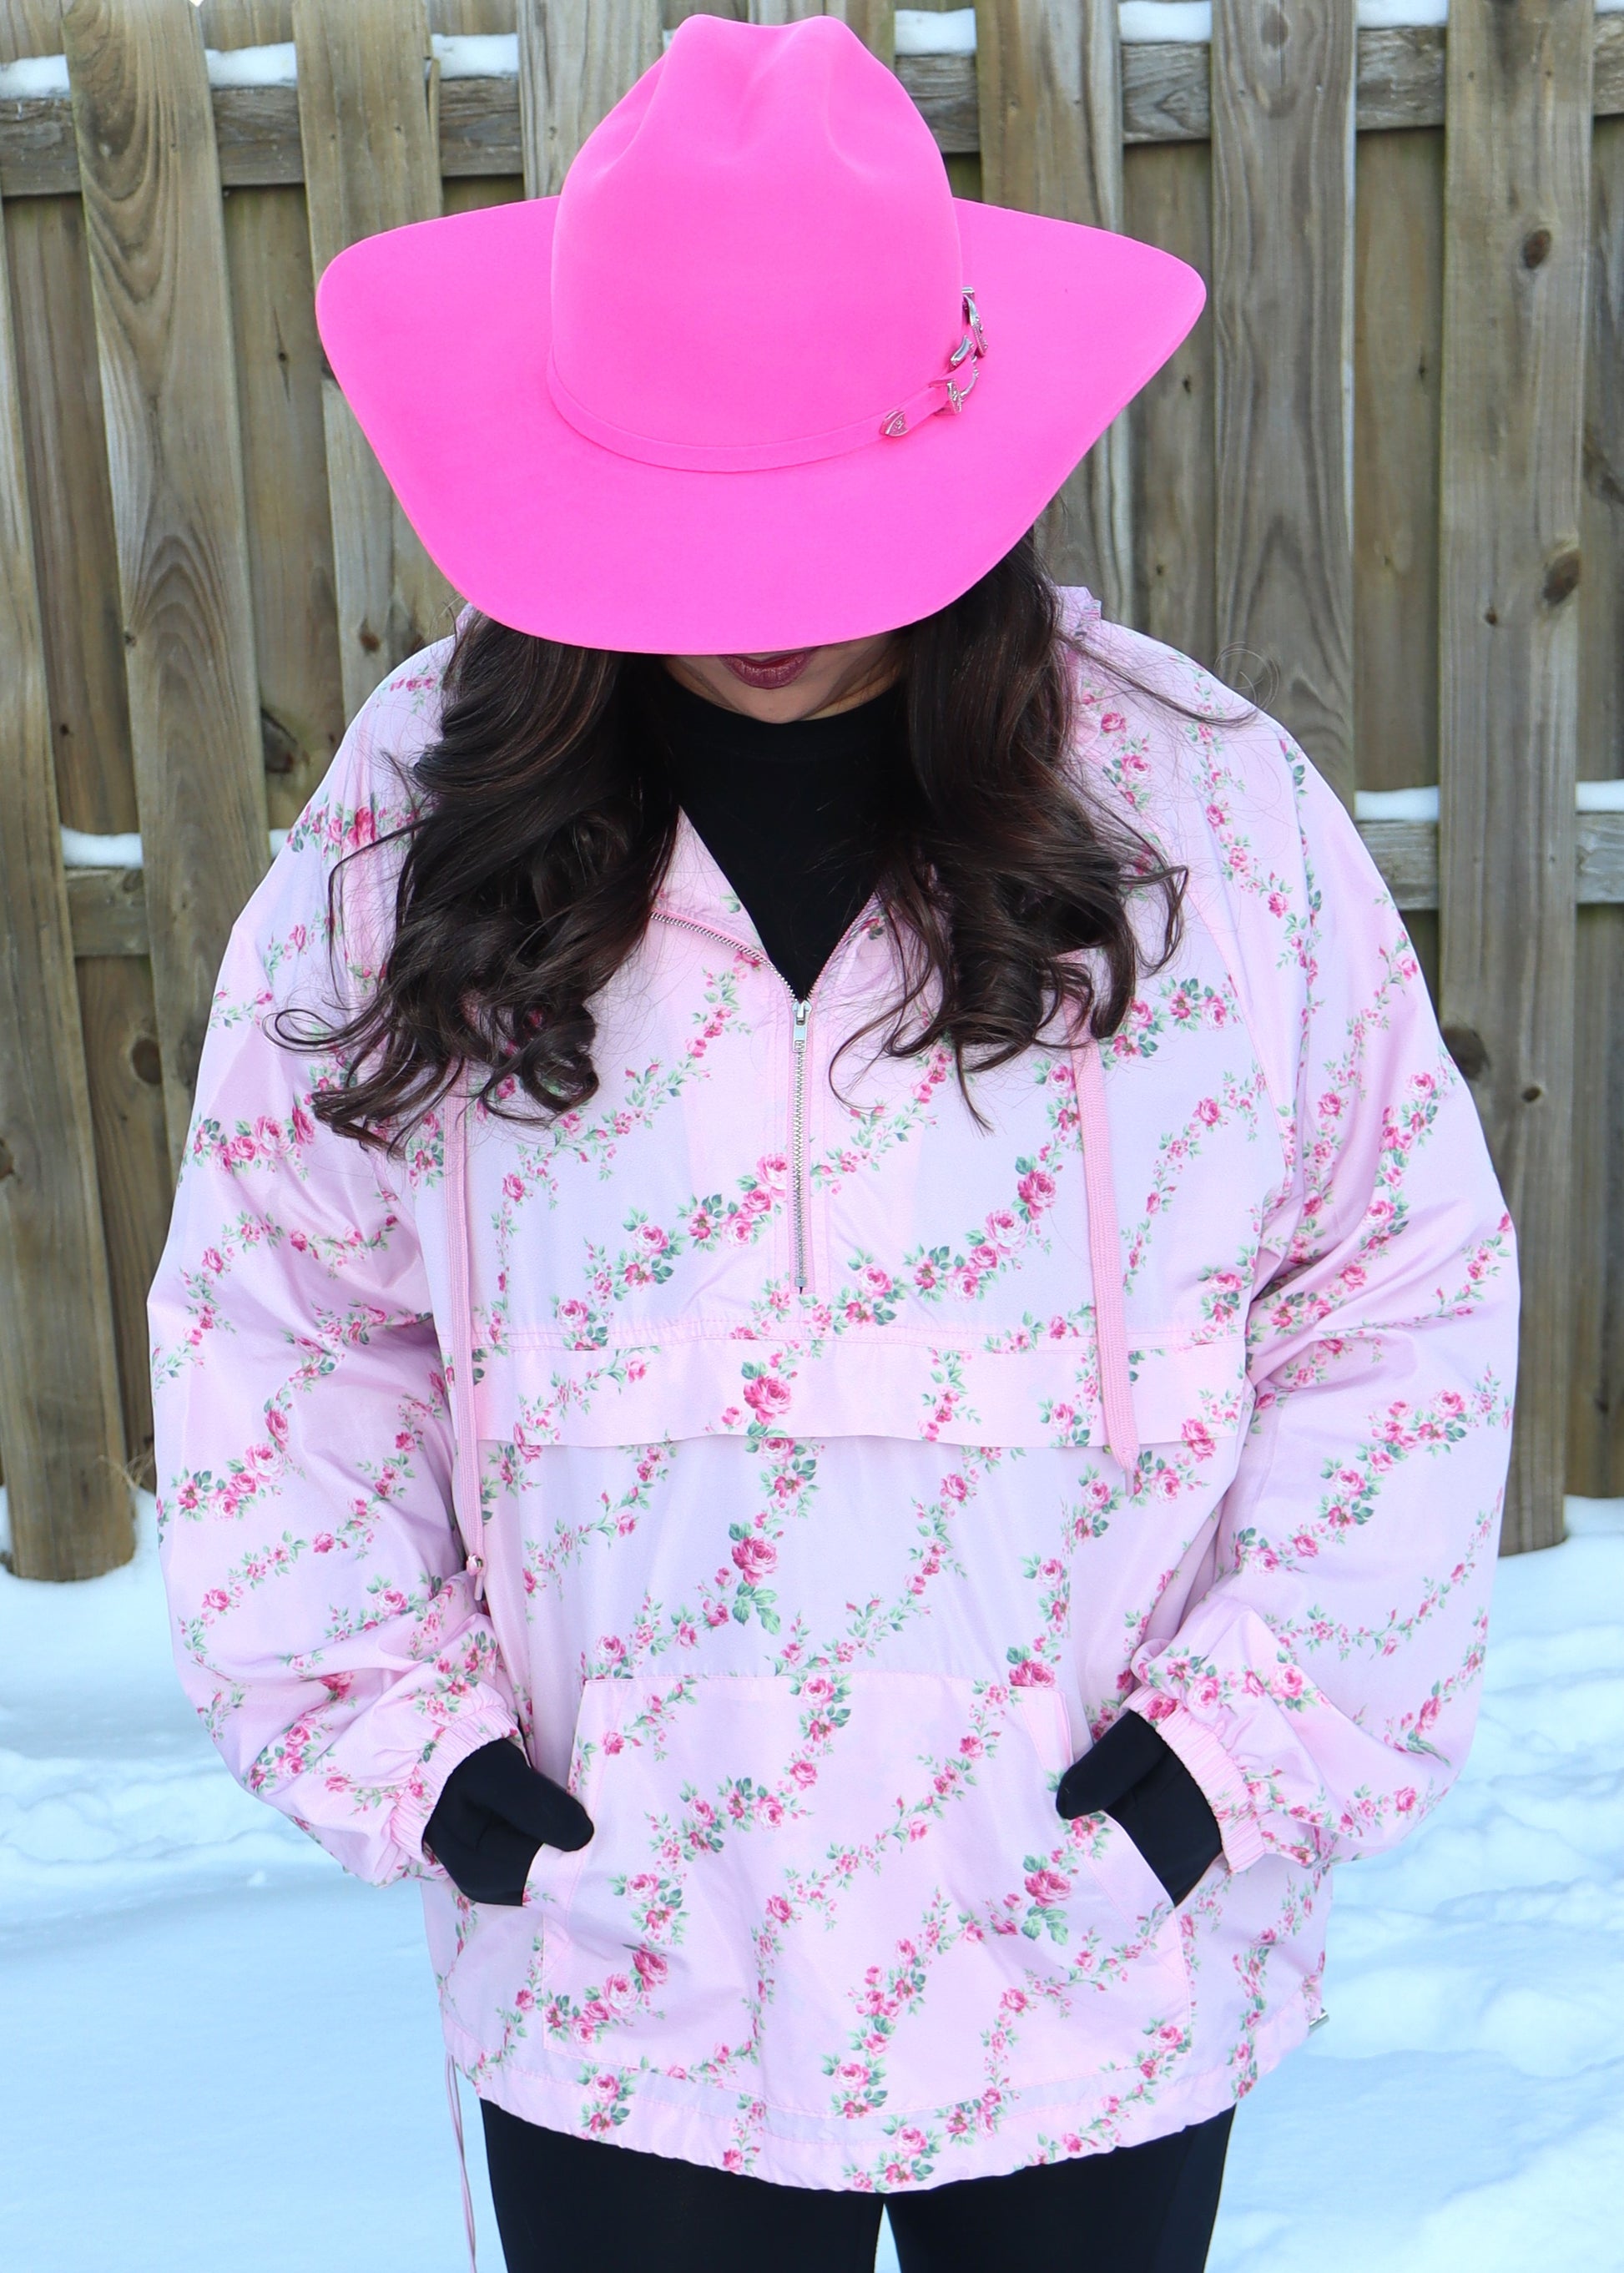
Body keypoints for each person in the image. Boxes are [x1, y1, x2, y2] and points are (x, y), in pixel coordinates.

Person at [149, 17, 1518, 2273]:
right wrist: (418, 1753)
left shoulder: (1197, 819)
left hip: (1088, 1945)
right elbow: (279, 1313)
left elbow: (1394, 1293)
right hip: (623, 1952)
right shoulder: (413, 829)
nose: (772, 611)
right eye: (706, 523)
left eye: (820, 524)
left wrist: (1226, 1763)